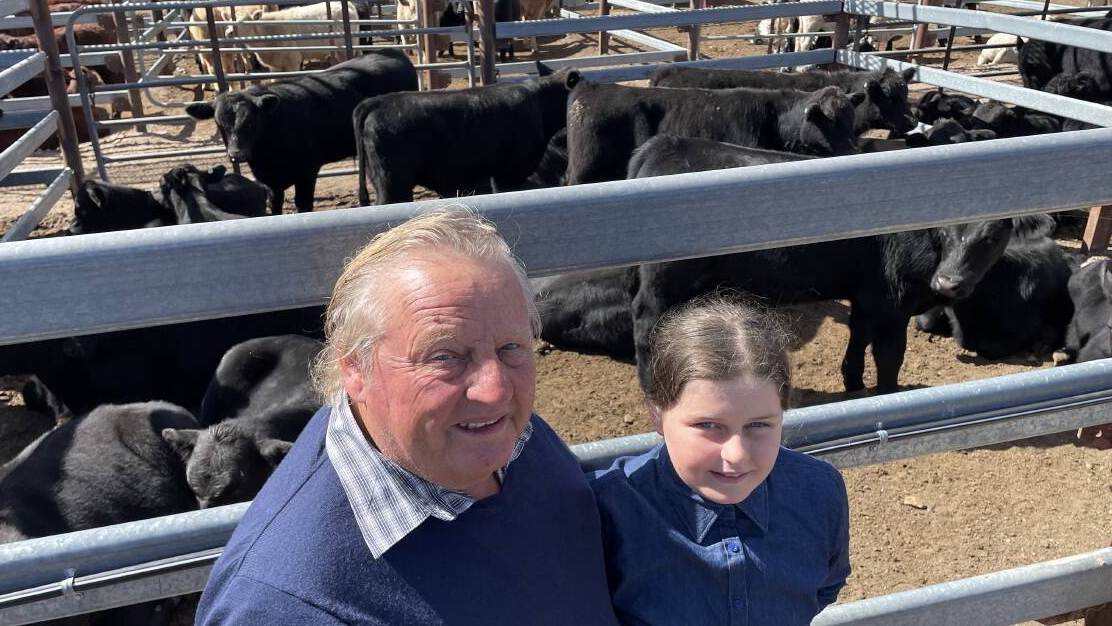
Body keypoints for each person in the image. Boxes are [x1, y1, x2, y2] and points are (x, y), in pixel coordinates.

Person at [195, 209, 618, 625]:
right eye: (445, 356)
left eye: (512, 347)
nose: (495, 390)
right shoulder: (286, 604)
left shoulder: (501, 436)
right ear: (355, 370)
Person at [590, 294, 851, 625]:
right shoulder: (609, 511)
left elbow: (825, 585)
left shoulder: (819, 491)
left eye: (759, 425)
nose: (736, 454)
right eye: (708, 425)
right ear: (657, 413)